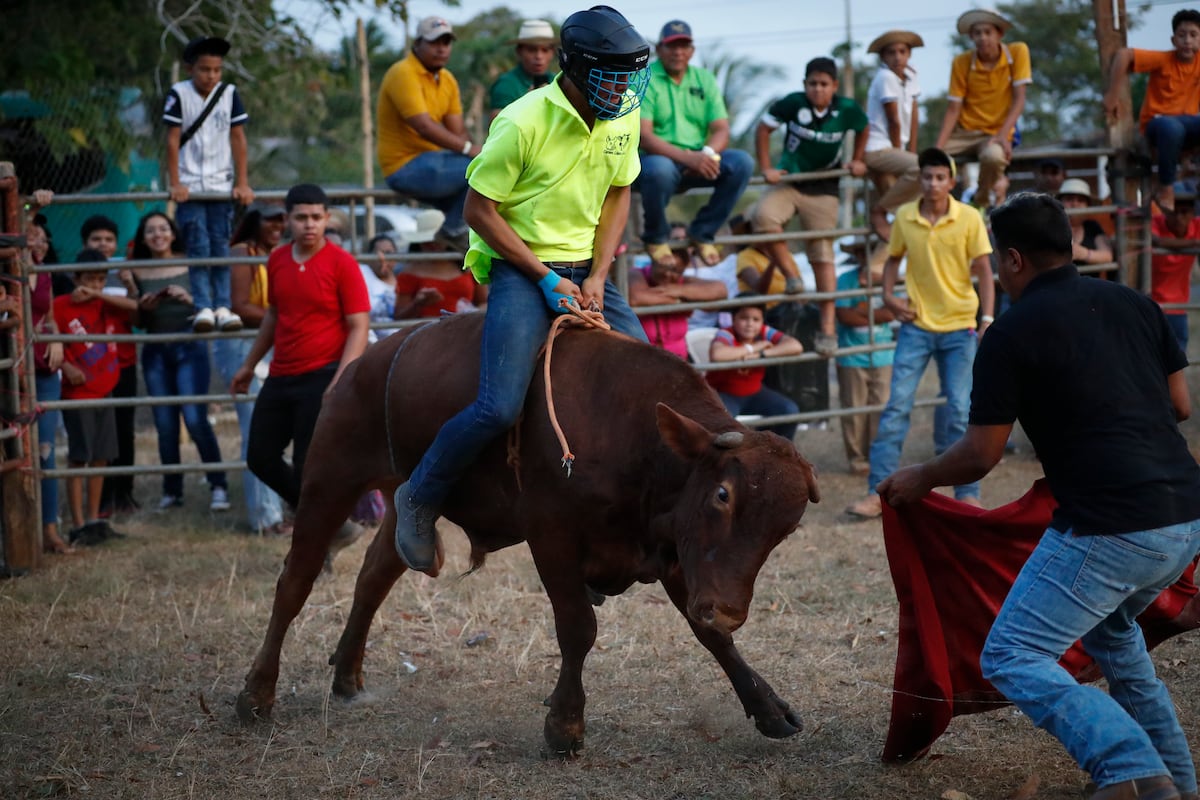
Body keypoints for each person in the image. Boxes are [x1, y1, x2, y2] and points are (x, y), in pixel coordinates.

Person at [878, 192, 1200, 800]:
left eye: (999, 258)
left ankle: (1129, 765)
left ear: (1014, 259)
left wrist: (920, 475)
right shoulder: (1134, 302)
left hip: (1111, 525)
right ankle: (1175, 785)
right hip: (1186, 519)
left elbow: (980, 454)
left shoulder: (1012, 331)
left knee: (1014, 655)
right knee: (1115, 640)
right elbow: (1180, 405)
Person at [391, 5, 653, 573]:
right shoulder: (521, 120)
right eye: (614, 75)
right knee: (498, 404)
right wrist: (545, 277)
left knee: (649, 386)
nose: (626, 89)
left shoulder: (623, 116)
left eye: (631, 76)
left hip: (592, 268)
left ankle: (610, 527)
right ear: (579, 70)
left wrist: (601, 276)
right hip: (521, 264)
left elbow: (619, 193)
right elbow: (477, 210)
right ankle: (418, 494)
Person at [846, 148, 995, 519]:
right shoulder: (906, 217)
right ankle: (876, 493)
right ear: (921, 180)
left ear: (951, 181)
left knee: (960, 409)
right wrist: (888, 298)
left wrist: (987, 318)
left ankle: (967, 493)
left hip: (960, 325)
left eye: (940, 177)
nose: (932, 183)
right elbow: (892, 259)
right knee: (896, 408)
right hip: (916, 326)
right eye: (927, 177)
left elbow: (984, 270)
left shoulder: (970, 218)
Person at [229, 184, 371, 516]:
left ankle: (318, 536)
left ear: (326, 219)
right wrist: (249, 365)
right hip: (281, 373)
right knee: (260, 457)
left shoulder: (342, 263)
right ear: (288, 220)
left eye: (317, 217)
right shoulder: (277, 258)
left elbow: (359, 325)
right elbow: (274, 315)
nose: (310, 224)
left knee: (307, 462)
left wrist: (341, 379)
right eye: (301, 217)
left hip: (323, 373)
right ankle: (328, 522)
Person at [752, 56, 869, 357]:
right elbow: (764, 129)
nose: (818, 89)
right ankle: (792, 276)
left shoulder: (846, 109)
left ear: (834, 87)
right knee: (763, 216)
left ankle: (827, 331)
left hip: (824, 188)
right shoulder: (792, 103)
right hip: (790, 180)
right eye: (812, 83)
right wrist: (767, 167)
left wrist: (857, 159)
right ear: (805, 85)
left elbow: (863, 128)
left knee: (822, 253)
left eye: (824, 84)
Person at [129, 212, 230, 511]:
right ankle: (172, 491)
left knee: (195, 417)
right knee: (164, 423)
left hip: (189, 344)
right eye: (151, 231)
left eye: (163, 229)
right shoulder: (135, 269)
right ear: (143, 237)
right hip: (155, 348)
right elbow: (137, 319)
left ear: (173, 234)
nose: (158, 235)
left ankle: (218, 485)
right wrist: (142, 305)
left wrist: (190, 299)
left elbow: (212, 303)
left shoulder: (190, 261)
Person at [637, 19, 754, 269]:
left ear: (692, 50)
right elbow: (643, 136)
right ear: (659, 49)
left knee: (742, 163)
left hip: (698, 159)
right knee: (660, 169)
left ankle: (703, 232)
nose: (678, 52)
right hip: (657, 160)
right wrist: (687, 158)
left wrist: (707, 155)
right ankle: (656, 237)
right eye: (671, 46)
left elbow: (721, 127)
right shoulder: (644, 78)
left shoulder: (704, 79)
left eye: (683, 45)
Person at [163, 35, 251, 333]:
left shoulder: (229, 93)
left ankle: (223, 306)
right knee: (197, 246)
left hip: (220, 184)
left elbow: (238, 138)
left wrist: (242, 181)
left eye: (217, 69)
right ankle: (203, 306)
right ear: (190, 69)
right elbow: (173, 141)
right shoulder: (178, 94)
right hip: (190, 184)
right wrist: (175, 182)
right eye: (204, 69)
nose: (211, 75)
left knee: (220, 246)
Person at [53, 251, 137, 542]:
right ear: (75, 278)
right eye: (89, 278)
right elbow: (46, 339)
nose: (95, 285)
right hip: (78, 393)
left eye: (101, 279)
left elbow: (134, 307)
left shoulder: (107, 304)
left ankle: (94, 518)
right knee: (80, 457)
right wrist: (65, 365)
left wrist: (99, 294)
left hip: (106, 389)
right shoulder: (60, 306)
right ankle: (77, 524)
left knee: (101, 458)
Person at [377, 17, 480, 248]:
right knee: (481, 169)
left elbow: (458, 129)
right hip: (404, 167)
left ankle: (453, 235)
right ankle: (453, 230)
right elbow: (423, 126)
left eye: (447, 42)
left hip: (436, 165)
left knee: (486, 169)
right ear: (418, 43)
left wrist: (483, 152)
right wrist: (472, 151)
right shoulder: (402, 73)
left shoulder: (447, 80)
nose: (442, 48)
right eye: (435, 42)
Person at [218, 202, 287, 534]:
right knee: (256, 428)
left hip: (274, 340)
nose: (278, 225)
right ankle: (266, 517)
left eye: (281, 220)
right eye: (271, 220)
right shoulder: (241, 252)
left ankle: (275, 509)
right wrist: (292, 315)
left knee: (272, 427)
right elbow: (240, 305)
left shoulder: (282, 253)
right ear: (254, 222)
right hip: (245, 342)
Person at [1105, 9, 1200, 212]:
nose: (1187, 41)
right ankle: (1166, 187)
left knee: (1183, 127)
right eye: (1182, 35)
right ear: (1173, 40)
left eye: (1193, 35)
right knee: (1171, 128)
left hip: (1188, 125)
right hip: (1159, 124)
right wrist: (1112, 95)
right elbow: (1124, 55)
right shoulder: (1164, 59)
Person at [935, 8, 1031, 209]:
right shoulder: (961, 62)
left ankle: (981, 201)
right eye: (977, 33)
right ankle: (928, 209)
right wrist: (938, 147)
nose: (982, 37)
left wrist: (1003, 135)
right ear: (970, 36)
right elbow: (953, 109)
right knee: (931, 160)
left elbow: (1019, 98)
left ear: (999, 34)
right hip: (965, 132)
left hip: (996, 134)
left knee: (993, 157)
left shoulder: (1017, 52)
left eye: (988, 32)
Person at [79, 215, 141, 516]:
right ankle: (100, 500)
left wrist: (129, 283)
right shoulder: (75, 273)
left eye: (107, 239)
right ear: (85, 243)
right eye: (96, 239)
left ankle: (123, 493)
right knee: (98, 432)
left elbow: (138, 312)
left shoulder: (122, 273)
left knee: (124, 428)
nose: (102, 244)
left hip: (123, 360)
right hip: (91, 367)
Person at [26, 219, 71, 554]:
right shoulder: (8, 271)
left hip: (43, 370)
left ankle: (50, 529)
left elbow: (50, 315)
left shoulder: (44, 272)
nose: (38, 243)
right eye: (31, 236)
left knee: (46, 452)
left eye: (43, 238)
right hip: (13, 371)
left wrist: (56, 338)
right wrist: (35, 208)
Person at [706, 295, 803, 441]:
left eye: (756, 319)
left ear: (762, 321)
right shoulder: (726, 333)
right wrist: (753, 347)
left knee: (789, 410)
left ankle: (777, 451)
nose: (750, 324)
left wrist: (762, 354)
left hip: (755, 392)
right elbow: (718, 354)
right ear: (733, 319)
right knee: (723, 425)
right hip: (725, 393)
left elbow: (796, 346)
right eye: (744, 318)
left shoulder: (763, 332)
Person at [834, 254, 895, 476]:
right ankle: (857, 458)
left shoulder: (889, 278)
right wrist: (874, 315)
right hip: (852, 354)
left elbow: (891, 312)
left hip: (882, 354)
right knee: (854, 408)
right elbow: (843, 316)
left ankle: (876, 455)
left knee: (881, 405)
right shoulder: (845, 279)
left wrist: (860, 309)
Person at [864, 30, 924, 242]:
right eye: (891, 52)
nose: (897, 57)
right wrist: (903, 155)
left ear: (909, 54)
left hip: (896, 150)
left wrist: (910, 153)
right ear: (883, 57)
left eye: (902, 51)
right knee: (923, 170)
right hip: (878, 149)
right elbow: (894, 121)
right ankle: (878, 211)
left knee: (906, 213)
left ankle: (876, 268)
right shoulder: (885, 77)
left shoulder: (911, 75)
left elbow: (913, 115)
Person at [628, 236, 727, 357]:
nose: (667, 274)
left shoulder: (683, 282)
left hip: (678, 360)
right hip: (642, 359)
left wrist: (679, 290)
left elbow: (720, 290)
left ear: (683, 270)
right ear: (653, 261)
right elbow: (637, 298)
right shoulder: (636, 274)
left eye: (675, 270)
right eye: (663, 267)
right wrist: (686, 298)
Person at [393, 210, 489, 319]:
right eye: (427, 240)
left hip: (464, 330)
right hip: (428, 332)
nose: (432, 244)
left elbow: (484, 302)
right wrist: (418, 304)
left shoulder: (467, 264)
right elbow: (399, 317)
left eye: (438, 240)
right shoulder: (409, 273)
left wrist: (472, 314)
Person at [1149, 187, 1200, 352]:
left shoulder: (1197, 226)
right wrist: (1194, 243)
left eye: (1184, 212)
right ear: (1165, 211)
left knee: (1176, 367)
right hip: (1150, 306)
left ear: (1193, 213)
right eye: (1173, 212)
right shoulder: (1155, 222)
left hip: (1178, 308)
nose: (1178, 218)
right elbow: (1157, 241)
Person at [489, 19, 557, 118]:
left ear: (552, 53)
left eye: (545, 50)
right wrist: (528, 104)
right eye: (532, 50)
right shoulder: (506, 84)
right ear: (519, 51)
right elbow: (498, 126)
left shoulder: (558, 81)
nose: (539, 56)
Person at [1058, 178, 1115, 272]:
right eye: (1069, 199)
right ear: (1059, 202)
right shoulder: (1051, 227)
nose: (1074, 204)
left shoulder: (1092, 226)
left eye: (1080, 200)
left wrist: (1082, 253)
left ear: (1087, 205)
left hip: (1089, 284)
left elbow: (1108, 256)